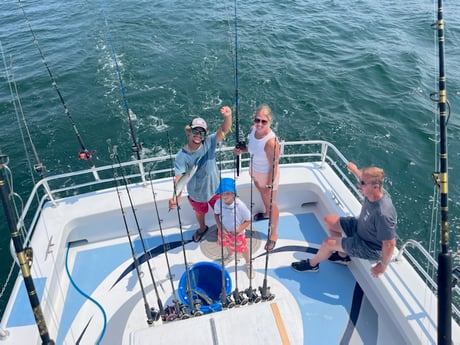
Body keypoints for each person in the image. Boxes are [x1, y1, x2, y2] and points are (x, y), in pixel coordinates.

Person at [291, 162, 397, 278]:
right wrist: (354, 169)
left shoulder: (383, 213)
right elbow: (362, 177)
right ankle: (342, 256)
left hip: (369, 246)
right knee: (328, 220)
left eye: (362, 183)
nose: (358, 185)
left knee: (328, 243)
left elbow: (390, 244)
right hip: (360, 227)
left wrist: (383, 265)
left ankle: (312, 265)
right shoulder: (370, 191)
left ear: (375, 187)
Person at [169, 106, 232, 242]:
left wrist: (227, 117)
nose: (198, 135)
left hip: (215, 189)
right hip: (196, 194)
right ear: (189, 131)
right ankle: (202, 228)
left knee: (221, 211)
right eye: (195, 131)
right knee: (200, 212)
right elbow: (179, 177)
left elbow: (224, 130)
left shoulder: (209, 142)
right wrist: (176, 198)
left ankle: (224, 229)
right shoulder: (182, 156)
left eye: (201, 132)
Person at [234, 104, 280, 251]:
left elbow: (274, 165)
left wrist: (269, 183)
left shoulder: (271, 142)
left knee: (272, 204)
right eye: (257, 120)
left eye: (263, 121)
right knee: (264, 198)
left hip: (268, 176)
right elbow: (253, 148)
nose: (259, 124)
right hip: (255, 171)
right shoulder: (253, 130)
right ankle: (266, 213)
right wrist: (242, 150)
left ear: (270, 122)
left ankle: (273, 234)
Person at [213, 177, 254, 279]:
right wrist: (220, 228)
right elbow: (216, 215)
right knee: (227, 244)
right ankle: (230, 256)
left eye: (227, 193)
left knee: (243, 249)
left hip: (238, 234)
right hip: (223, 231)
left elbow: (248, 220)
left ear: (233, 194)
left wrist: (239, 230)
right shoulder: (218, 203)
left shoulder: (241, 206)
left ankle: (248, 263)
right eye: (222, 193)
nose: (224, 196)